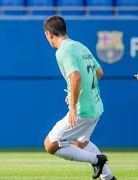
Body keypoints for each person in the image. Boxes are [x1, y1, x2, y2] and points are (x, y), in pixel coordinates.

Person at [42, 16, 117, 180]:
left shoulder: (63, 51)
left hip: (83, 110)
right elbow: (99, 73)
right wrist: (74, 93)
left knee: (51, 144)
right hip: (96, 107)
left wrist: (73, 106)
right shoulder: (80, 46)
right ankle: (109, 178)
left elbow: (75, 77)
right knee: (80, 144)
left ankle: (97, 160)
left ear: (48, 33)